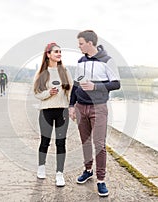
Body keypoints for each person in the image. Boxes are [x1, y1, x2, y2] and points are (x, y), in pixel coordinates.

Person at [69, 30, 121, 197]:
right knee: (85, 142)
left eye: (81, 43)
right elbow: (75, 86)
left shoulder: (108, 61)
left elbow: (116, 84)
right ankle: (88, 170)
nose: (79, 46)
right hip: (80, 107)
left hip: (98, 108)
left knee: (99, 145)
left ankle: (101, 180)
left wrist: (96, 87)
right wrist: (71, 105)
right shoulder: (80, 61)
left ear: (90, 43)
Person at [33, 42, 73, 187]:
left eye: (60, 51)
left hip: (62, 110)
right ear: (48, 54)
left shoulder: (65, 71)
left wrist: (72, 108)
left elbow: (70, 91)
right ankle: (41, 167)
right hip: (46, 111)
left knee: (60, 142)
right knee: (45, 141)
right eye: (56, 51)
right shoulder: (42, 73)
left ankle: (59, 174)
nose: (59, 54)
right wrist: (48, 93)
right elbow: (36, 93)